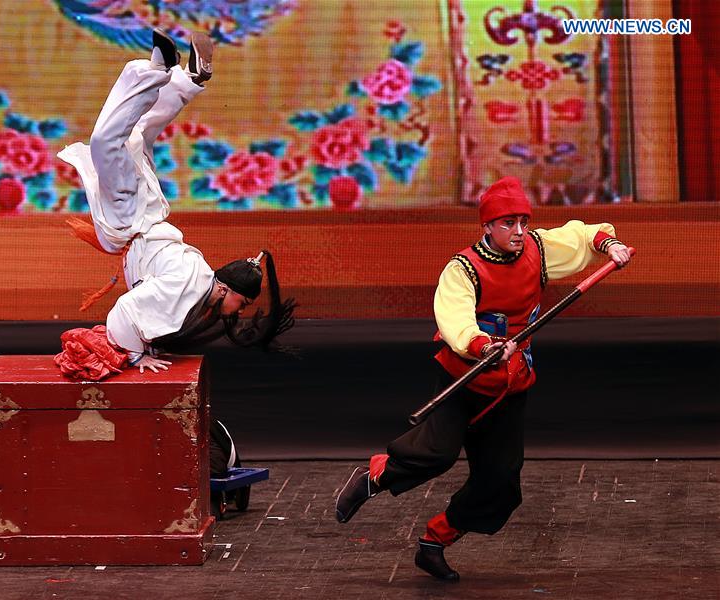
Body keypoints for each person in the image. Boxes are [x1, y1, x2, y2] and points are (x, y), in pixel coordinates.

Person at [333, 176, 632, 582]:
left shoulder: (537, 250)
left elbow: (581, 236)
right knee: (435, 454)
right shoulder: (464, 268)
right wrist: (483, 345)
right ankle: (376, 476)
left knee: (501, 484)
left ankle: (435, 540)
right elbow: (454, 316)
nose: (518, 232)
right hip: (465, 376)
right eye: (508, 224)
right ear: (487, 227)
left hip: (510, 383)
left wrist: (607, 244)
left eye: (523, 223)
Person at [55, 29, 295, 377]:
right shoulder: (191, 283)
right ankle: (159, 70)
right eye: (241, 303)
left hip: (146, 214)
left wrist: (147, 342)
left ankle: (186, 77)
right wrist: (139, 356)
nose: (237, 311)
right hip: (131, 216)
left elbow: (148, 308)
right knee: (106, 142)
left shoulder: (197, 278)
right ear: (225, 288)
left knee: (139, 132)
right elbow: (124, 310)